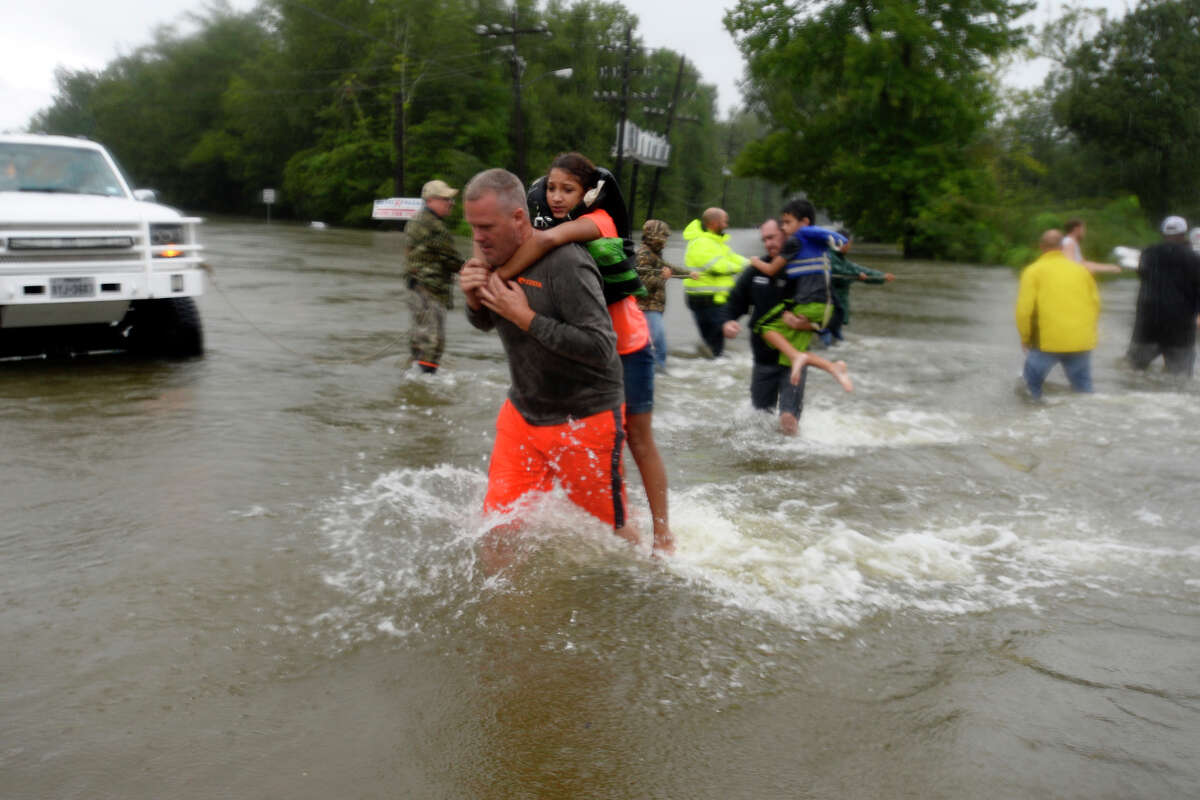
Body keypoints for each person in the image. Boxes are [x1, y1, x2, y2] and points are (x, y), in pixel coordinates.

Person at [480, 153, 674, 555]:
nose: (556, 197)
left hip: (626, 348)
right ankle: (616, 515)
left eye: (568, 189)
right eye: (551, 187)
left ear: (588, 194)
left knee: (638, 439)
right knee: (596, 445)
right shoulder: (549, 222)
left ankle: (663, 534)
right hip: (585, 360)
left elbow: (546, 240)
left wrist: (493, 280)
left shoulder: (598, 222)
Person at [458, 168, 635, 568]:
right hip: (522, 414)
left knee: (615, 543)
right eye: (472, 227)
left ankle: (657, 582)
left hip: (585, 419)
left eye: (486, 227)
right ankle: (512, 626)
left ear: (519, 218)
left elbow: (601, 347)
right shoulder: (489, 259)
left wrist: (527, 318)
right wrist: (473, 300)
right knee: (497, 532)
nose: (478, 238)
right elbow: (487, 322)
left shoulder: (566, 264)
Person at [746, 199, 854, 393]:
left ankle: (812, 363)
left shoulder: (798, 238)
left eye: (787, 223)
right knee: (792, 352)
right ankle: (832, 367)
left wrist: (753, 262)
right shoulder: (814, 244)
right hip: (821, 308)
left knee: (764, 326)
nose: (784, 228)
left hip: (808, 305)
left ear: (804, 223)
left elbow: (771, 270)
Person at [721, 219, 817, 435]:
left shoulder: (803, 271)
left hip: (793, 358)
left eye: (772, 238)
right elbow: (734, 301)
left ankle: (792, 462)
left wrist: (810, 323)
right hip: (763, 358)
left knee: (788, 419)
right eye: (764, 239)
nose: (768, 244)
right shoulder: (756, 272)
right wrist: (728, 321)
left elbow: (829, 310)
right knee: (759, 421)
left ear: (785, 235)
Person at [1014, 229, 1101, 399]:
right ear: (1062, 247)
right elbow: (1095, 305)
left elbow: (1024, 310)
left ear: (1041, 247)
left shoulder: (1033, 271)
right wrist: (1089, 335)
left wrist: (1025, 338)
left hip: (1046, 343)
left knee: (1029, 391)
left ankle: (1030, 422)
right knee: (1084, 392)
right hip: (1080, 341)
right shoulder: (1082, 271)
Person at [1126, 215, 1200, 378]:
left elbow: (1142, 275)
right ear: (1184, 234)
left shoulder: (1148, 254)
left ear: (1162, 233)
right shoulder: (1195, 259)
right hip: (1180, 327)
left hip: (1147, 324)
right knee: (1180, 379)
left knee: (1133, 371)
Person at [404, 179, 463, 374]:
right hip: (430, 291)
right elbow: (452, 260)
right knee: (434, 341)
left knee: (419, 338)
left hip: (415, 288)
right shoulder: (435, 226)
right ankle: (426, 383)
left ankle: (414, 374)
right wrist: (474, 271)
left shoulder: (415, 221)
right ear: (431, 200)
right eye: (446, 199)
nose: (451, 203)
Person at [682, 207, 750, 357]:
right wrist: (742, 268)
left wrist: (753, 264)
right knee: (715, 341)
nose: (726, 225)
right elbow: (717, 267)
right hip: (706, 299)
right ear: (713, 223)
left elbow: (732, 257)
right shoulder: (701, 243)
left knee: (714, 342)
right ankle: (712, 368)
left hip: (712, 299)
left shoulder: (715, 242)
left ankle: (709, 363)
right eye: (724, 222)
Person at [635, 219, 692, 371]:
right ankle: (658, 372)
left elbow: (669, 268)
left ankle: (656, 370)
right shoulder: (643, 255)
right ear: (655, 237)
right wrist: (663, 278)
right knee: (658, 343)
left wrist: (689, 274)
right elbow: (643, 285)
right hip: (646, 308)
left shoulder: (654, 254)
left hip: (654, 307)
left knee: (654, 343)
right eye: (665, 237)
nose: (666, 241)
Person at [824, 231, 894, 345]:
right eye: (849, 244)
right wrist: (856, 276)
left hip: (837, 311)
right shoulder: (829, 257)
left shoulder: (842, 260)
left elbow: (862, 271)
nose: (849, 247)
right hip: (829, 309)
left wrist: (882, 276)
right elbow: (840, 274)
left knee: (836, 342)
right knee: (828, 341)